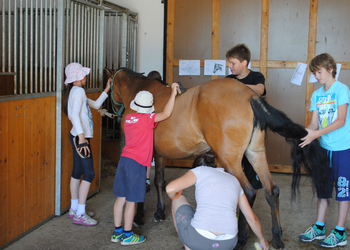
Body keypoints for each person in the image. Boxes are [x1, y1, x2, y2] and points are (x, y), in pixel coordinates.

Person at [111, 82, 180, 245]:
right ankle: (128, 235)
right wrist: (173, 94)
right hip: (137, 164)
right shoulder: (148, 119)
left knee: (120, 199)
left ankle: (117, 232)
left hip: (124, 160)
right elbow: (167, 113)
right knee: (131, 201)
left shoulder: (128, 118)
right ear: (150, 107)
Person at [166, 151, 269, 250]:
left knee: (178, 199)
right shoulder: (234, 180)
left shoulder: (199, 171)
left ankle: (189, 246)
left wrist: (176, 194)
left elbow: (170, 189)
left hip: (198, 239)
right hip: (228, 243)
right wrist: (262, 240)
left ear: (197, 166)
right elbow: (252, 219)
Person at [299, 53, 350, 248]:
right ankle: (319, 228)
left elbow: (341, 120)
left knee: (343, 192)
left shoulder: (342, 90)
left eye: (319, 72)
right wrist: (304, 133)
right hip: (324, 149)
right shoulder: (316, 95)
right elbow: (314, 122)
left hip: (342, 149)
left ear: (330, 69)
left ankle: (339, 232)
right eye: (314, 73)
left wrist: (316, 133)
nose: (317, 76)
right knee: (323, 190)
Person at [63, 62, 111, 226]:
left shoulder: (76, 92)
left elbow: (96, 105)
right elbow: (75, 115)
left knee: (77, 172)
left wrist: (106, 89)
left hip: (77, 136)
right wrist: (82, 138)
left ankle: (74, 208)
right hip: (80, 138)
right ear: (77, 77)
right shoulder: (79, 92)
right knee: (89, 174)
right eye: (83, 74)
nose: (85, 77)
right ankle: (80, 214)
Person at [225, 43, 265, 192]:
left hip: (252, 131)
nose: (230, 66)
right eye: (229, 63)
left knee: (250, 169)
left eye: (233, 63)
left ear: (244, 63)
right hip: (232, 132)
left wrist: (237, 86)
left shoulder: (256, 77)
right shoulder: (228, 79)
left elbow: (260, 90)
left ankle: (247, 208)